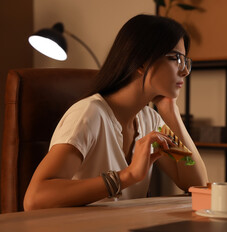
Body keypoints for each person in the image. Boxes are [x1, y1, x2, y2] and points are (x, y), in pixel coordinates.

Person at [23, 14, 208, 210]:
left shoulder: (151, 120)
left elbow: (196, 183)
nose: (185, 71)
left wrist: (171, 112)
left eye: (185, 61)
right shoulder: (90, 114)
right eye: (175, 58)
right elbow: (35, 198)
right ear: (141, 62)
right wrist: (127, 176)